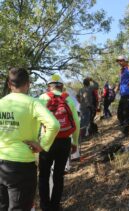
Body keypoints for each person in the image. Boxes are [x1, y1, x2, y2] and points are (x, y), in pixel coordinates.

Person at [0, 68, 60, 211]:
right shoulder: (32, 103)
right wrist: (42, 145)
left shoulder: (1, 103)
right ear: (28, 84)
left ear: (9, 84)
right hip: (21, 165)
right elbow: (54, 124)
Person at [39, 74, 80, 211]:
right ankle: (55, 206)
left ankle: (45, 206)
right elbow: (76, 123)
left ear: (49, 86)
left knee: (44, 175)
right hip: (64, 141)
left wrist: (36, 142)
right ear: (61, 86)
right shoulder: (68, 99)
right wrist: (74, 142)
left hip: (47, 142)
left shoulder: (43, 98)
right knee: (58, 175)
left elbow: (35, 122)